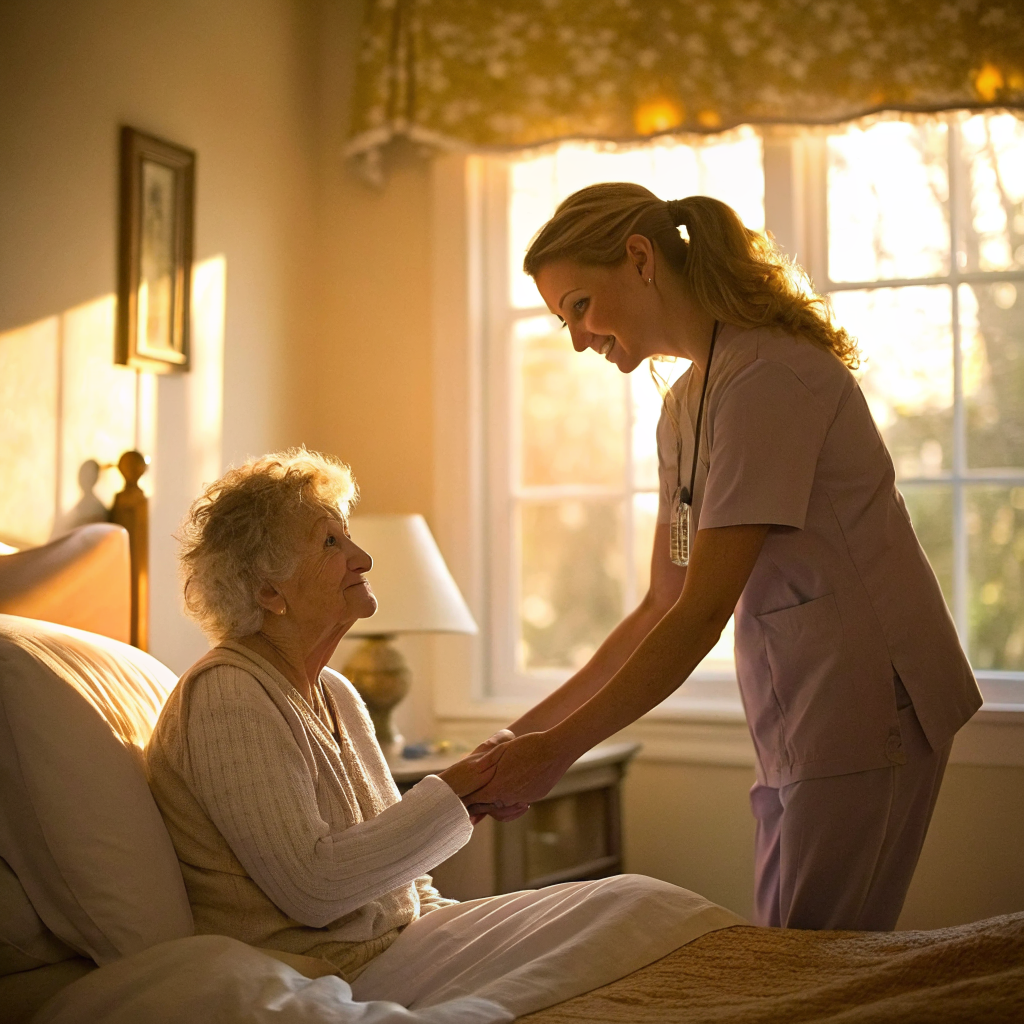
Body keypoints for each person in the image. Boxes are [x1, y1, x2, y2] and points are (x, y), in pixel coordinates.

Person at [461, 184, 982, 932]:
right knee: (786, 953)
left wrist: (557, 755)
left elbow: (702, 612)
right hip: (801, 706)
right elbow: (660, 605)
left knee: (809, 968)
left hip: (872, 700)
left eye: (578, 306)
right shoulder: (685, 404)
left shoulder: (768, 376)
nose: (575, 338)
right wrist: (514, 744)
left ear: (638, 258)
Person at [145, 448, 742, 1017]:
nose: (362, 557)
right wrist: (456, 796)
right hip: (328, 974)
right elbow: (314, 888)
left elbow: (399, 881)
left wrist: (469, 917)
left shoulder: (338, 694)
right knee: (630, 906)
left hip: (401, 948)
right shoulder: (226, 695)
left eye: (347, 535)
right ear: (268, 590)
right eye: (331, 542)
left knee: (636, 902)